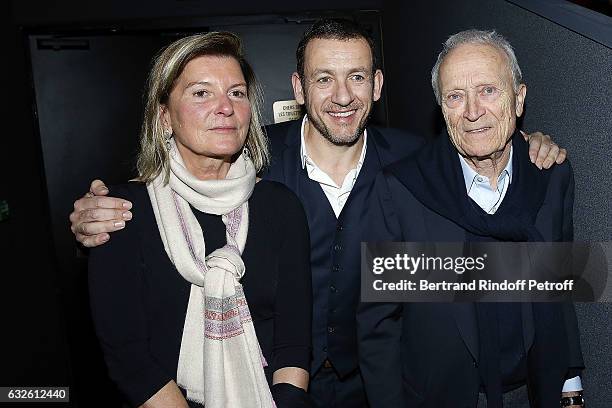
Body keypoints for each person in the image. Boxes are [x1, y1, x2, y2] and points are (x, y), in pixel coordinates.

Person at [71, 19, 567, 408]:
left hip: (380, 388)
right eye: (323, 79)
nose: (343, 96)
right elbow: (179, 186)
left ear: (376, 85)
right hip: (267, 384)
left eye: (356, 77)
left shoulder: (417, 168)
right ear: (299, 88)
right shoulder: (255, 165)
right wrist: (97, 211)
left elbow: (480, 253)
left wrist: (525, 150)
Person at [358, 30, 584, 407]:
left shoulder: (551, 177)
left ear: (519, 99)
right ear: (442, 109)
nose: (473, 111)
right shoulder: (402, 191)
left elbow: (561, 288)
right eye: (455, 97)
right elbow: (377, 327)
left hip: (535, 392)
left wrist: (571, 386)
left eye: (488, 91)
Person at [87, 32, 313, 408]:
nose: (224, 107)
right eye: (201, 93)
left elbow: (293, 343)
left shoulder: (280, 206)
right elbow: (130, 360)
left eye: (237, 93)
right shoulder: (122, 212)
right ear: (164, 116)